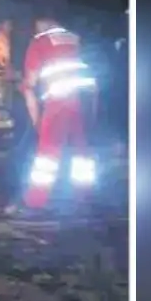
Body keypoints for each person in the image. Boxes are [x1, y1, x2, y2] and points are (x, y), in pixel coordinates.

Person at [20, 17, 98, 209]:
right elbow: (93, 78)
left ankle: (35, 202)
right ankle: (84, 197)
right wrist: (94, 110)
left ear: (40, 22)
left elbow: (29, 85)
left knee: (47, 155)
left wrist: (36, 121)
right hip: (83, 101)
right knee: (81, 152)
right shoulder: (75, 38)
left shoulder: (39, 42)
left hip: (58, 103)